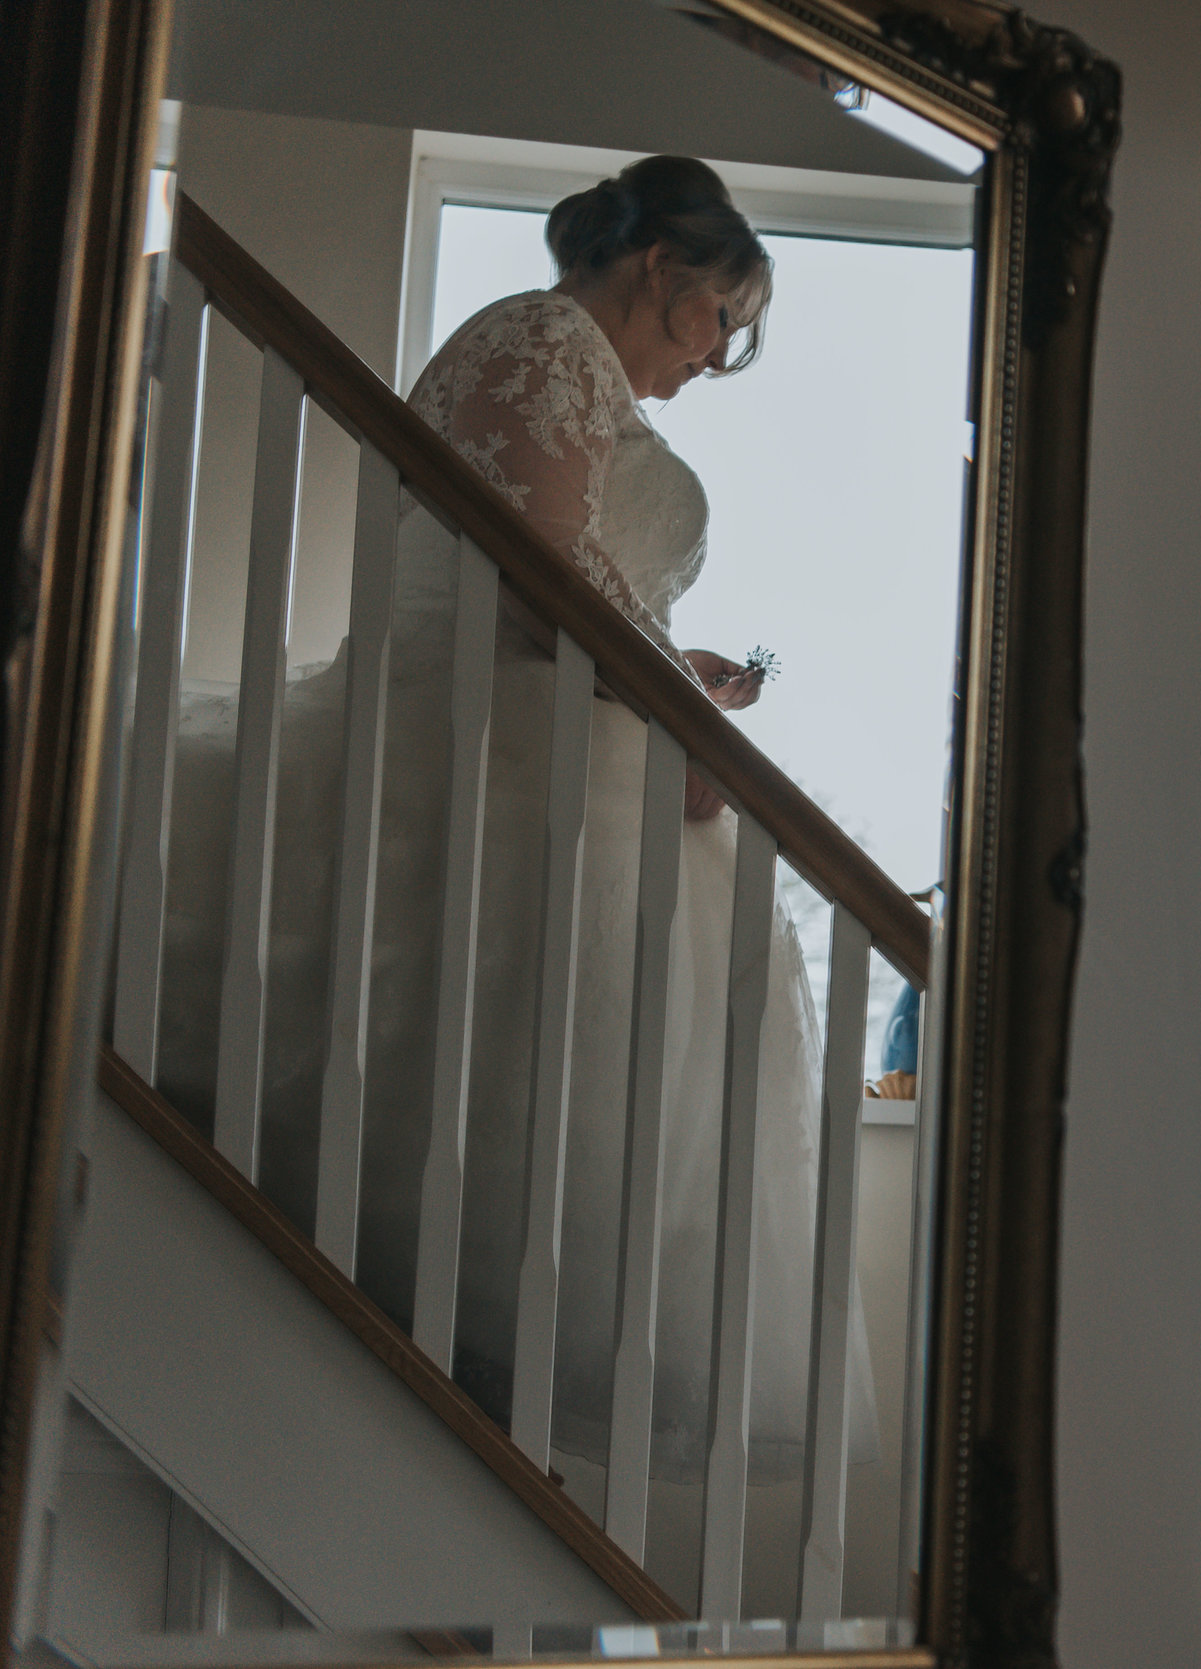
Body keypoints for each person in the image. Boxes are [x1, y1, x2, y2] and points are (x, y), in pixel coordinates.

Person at [158, 157, 870, 1594]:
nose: (705, 364)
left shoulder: (585, 370)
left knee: (567, 1090)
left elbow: (579, 567)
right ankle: (444, 1407)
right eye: (716, 323)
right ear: (663, 264)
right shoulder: (543, 335)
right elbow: (530, 557)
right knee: (490, 1066)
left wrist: (681, 674)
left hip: (569, 724)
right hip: (486, 738)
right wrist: (667, 692)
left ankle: (472, 1424)